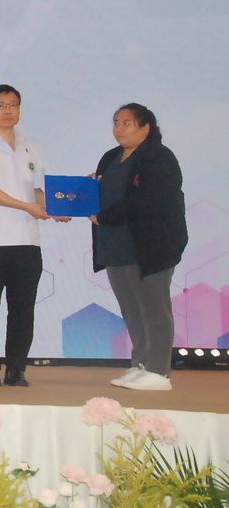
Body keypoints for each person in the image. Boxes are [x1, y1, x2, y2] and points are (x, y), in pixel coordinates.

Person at [0, 85, 64, 388]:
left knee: (23, 309)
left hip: (27, 240)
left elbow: (37, 189)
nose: (8, 110)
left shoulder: (30, 145)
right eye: (0, 105)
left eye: (13, 105)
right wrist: (28, 207)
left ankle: (17, 368)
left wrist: (53, 208)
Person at [92, 103, 187, 391]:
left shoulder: (159, 157)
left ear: (146, 127)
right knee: (132, 309)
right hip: (116, 245)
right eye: (116, 122)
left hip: (151, 246)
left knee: (154, 308)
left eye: (127, 123)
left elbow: (146, 200)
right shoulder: (111, 157)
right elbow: (101, 192)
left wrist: (105, 216)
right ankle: (141, 364)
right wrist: (85, 191)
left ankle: (159, 372)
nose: (119, 129)